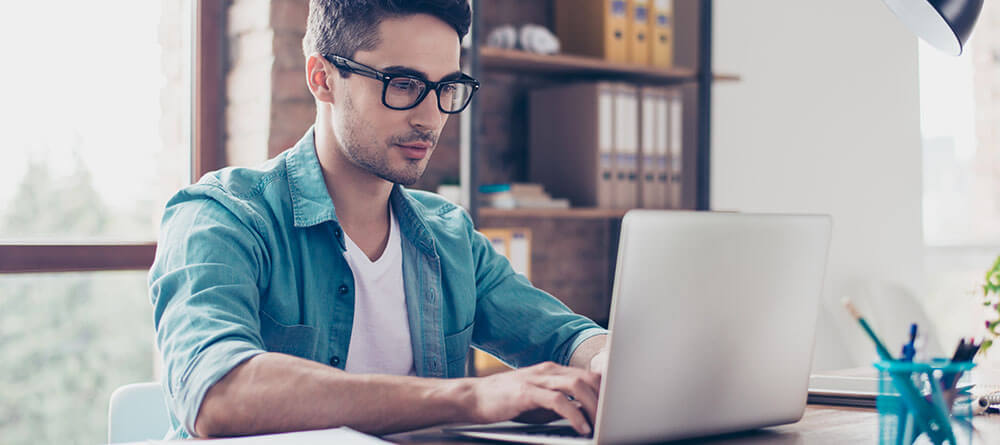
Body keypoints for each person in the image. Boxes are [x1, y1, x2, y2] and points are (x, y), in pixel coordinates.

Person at [149, 0, 608, 440]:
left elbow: (567, 339)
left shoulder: (450, 235)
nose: (431, 119)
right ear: (322, 78)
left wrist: (605, 360)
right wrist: (469, 397)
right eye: (404, 84)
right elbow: (215, 391)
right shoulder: (222, 216)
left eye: (447, 88)